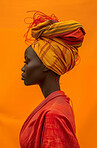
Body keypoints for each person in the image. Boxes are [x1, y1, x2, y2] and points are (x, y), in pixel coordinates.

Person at [20, 10, 86, 148]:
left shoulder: (53, 114)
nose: (23, 68)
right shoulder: (59, 106)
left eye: (27, 61)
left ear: (46, 64)